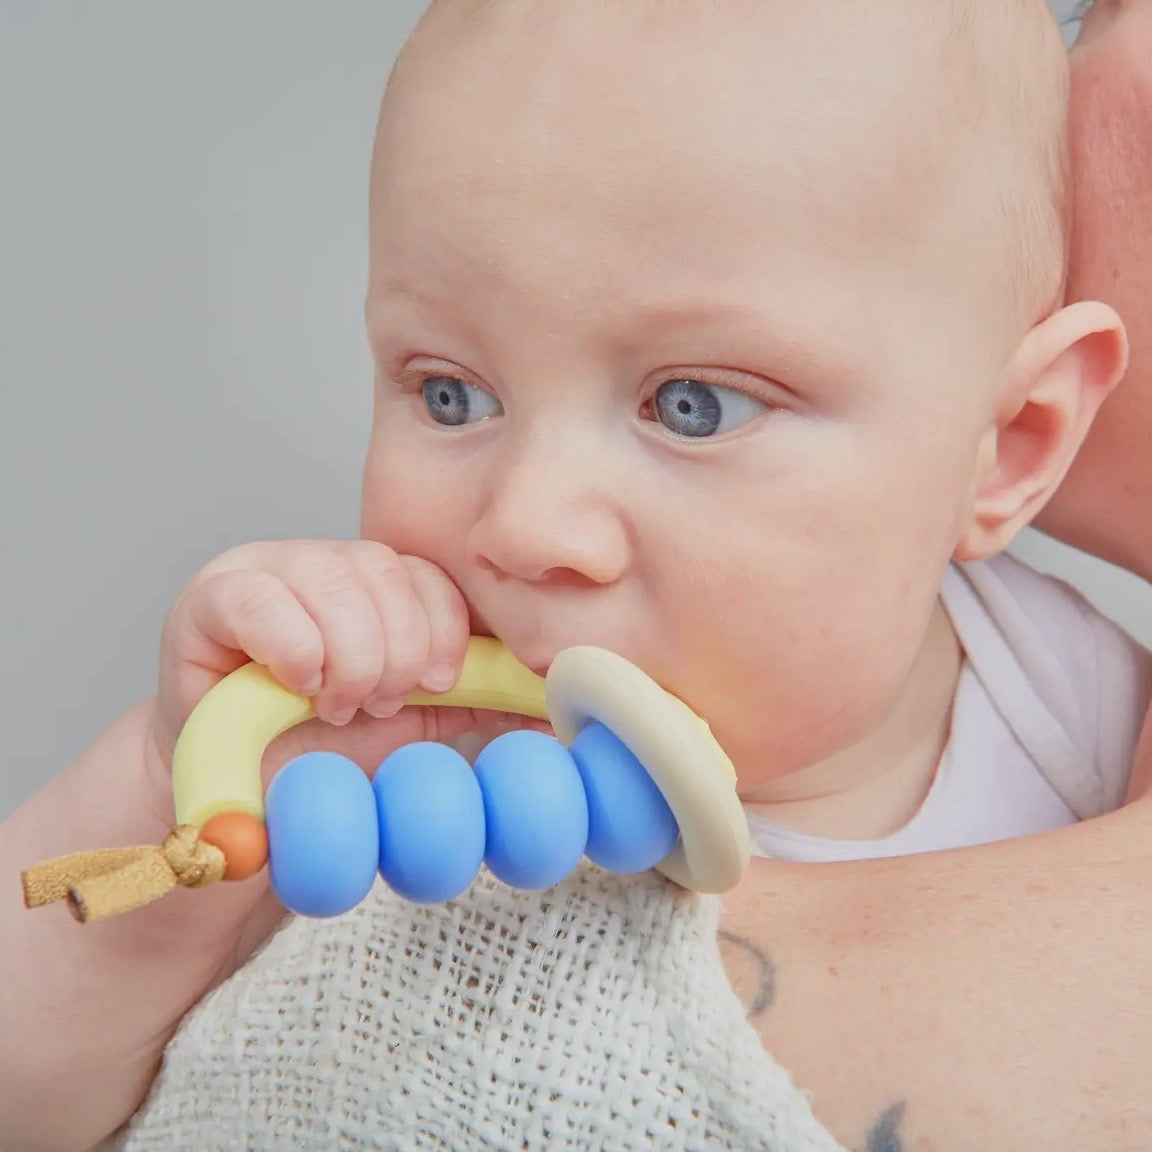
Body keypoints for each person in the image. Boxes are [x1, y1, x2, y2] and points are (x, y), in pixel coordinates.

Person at [1, 1, 1149, 1150]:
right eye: (451, 393)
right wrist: (168, 779)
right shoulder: (372, 747)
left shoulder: (1071, 709)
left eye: (693, 406)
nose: (524, 522)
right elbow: (27, 1098)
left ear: (1011, 444)